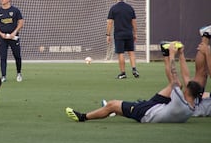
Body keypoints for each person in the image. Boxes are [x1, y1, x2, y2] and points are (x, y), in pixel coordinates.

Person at [66, 42, 203, 123]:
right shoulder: (193, 103)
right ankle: (164, 54)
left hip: (146, 113)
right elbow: (185, 77)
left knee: (112, 104)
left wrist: (173, 54)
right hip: (161, 107)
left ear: (187, 92)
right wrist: (182, 54)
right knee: (175, 84)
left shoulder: (180, 101)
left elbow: (174, 74)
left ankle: (83, 117)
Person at [106, 0, 139, 79]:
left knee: (121, 53)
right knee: (131, 52)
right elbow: (134, 22)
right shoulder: (130, 8)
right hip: (129, 33)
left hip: (119, 34)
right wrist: (135, 33)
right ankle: (134, 69)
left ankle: (123, 73)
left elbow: (109, 22)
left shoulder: (113, 8)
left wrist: (108, 35)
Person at [0, 0, 24, 83]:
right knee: (3, 57)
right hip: (3, 38)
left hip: (13, 37)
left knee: (17, 56)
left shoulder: (15, 10)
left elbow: (21, 22)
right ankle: (3, 76)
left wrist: (14, 32)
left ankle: (19, 73)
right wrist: (0, 33)